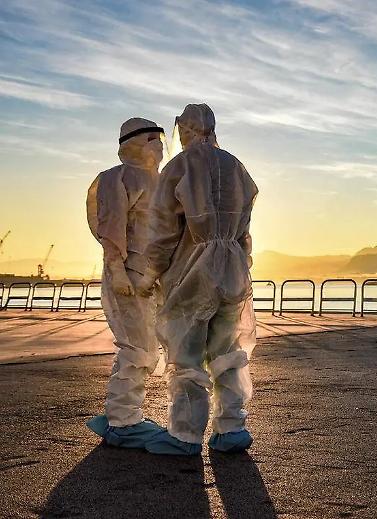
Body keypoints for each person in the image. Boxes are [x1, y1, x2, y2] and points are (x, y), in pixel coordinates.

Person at [138, 103, 258, 455]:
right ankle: (232, 428)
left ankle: (186, 434)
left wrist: (151, 271)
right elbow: (245, 228)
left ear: (185, 129)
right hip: (233, 267)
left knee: (186, 351)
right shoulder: (236, 166)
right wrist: (241, 259)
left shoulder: (180, 165)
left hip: (192, 270)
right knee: (227, 347)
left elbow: (162, 229)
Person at [85, 118, 167, 448]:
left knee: (148, 346)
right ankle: (122, 420)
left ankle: (123, 413)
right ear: (132, 143)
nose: (159, 145)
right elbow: (111, 226)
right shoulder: (114, 178)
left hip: (153, 278)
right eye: (151, 139)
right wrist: (117, 270)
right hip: (129, 276)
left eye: (161, 139)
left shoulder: (161, 181)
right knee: (138, 347)